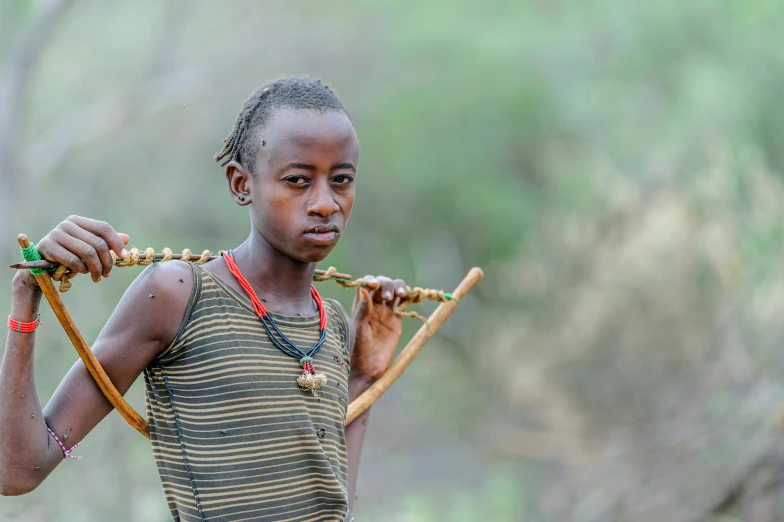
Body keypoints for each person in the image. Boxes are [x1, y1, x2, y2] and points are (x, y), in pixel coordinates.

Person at [0, 76, 408, 522]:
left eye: (342, 180)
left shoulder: (330, 323)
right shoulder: (177, 296)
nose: (326, 203)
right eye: (297, 180)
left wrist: (364, 377)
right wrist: (28, 296)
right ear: (241, 184)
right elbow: (18, 471)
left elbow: (334, 505)